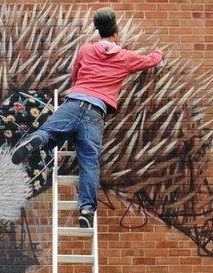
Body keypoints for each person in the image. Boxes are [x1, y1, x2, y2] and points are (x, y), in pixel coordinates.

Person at [11, 7, 164, 228]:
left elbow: (75, 75)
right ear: (116, 34)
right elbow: (150, 61)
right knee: (89, 163)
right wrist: (159, 53)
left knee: (49, 132)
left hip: (74, 102)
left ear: (98, 31)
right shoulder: (125, 57)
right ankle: (86, 210)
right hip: (95, 112)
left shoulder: (85, 50)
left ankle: (39, 139)